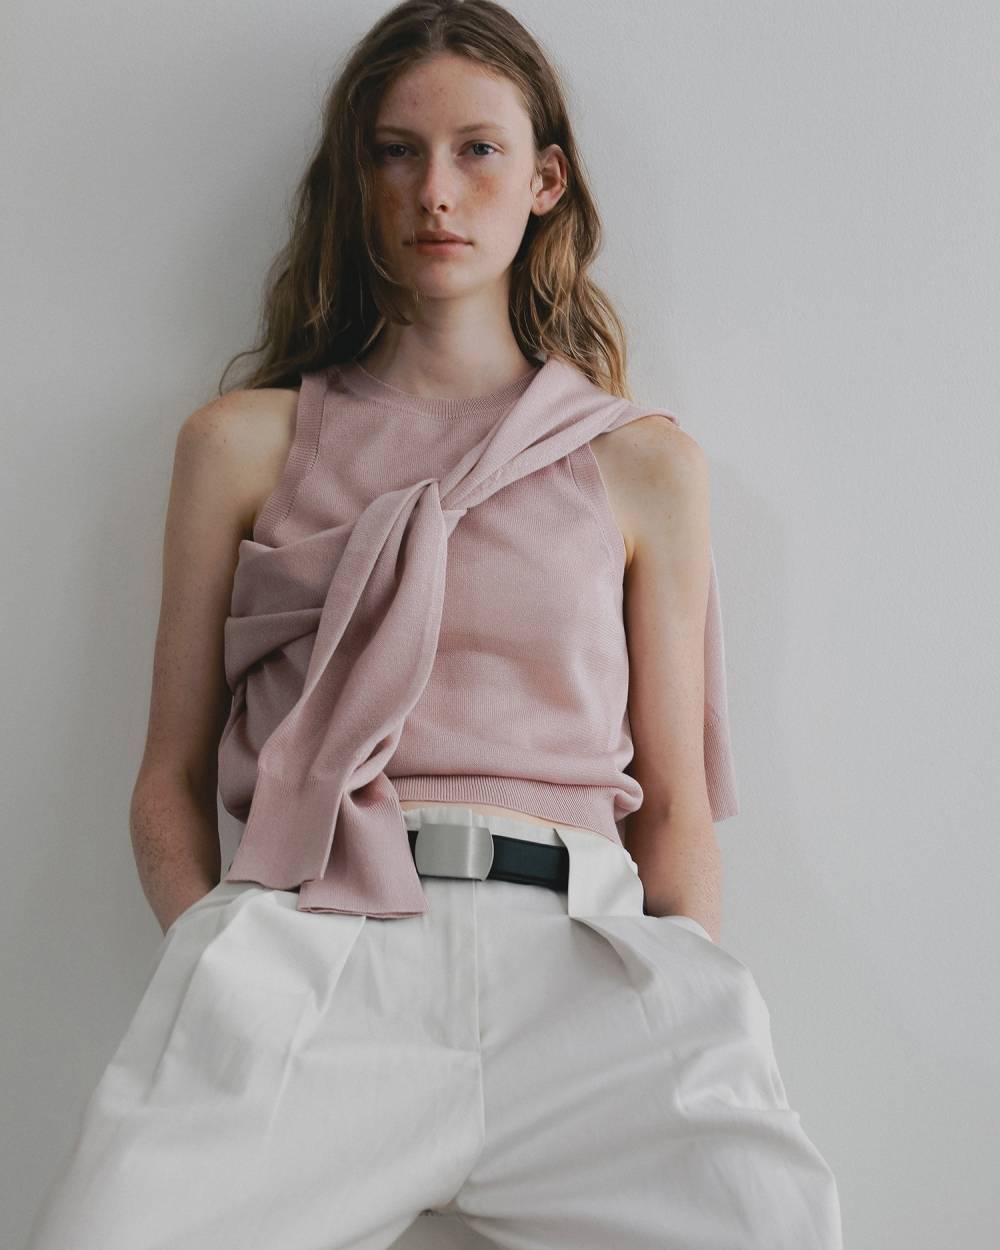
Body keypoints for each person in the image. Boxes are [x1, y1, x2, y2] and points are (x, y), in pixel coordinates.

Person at [25, 2, 844, 1248]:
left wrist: (678, 995)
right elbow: (167, 777)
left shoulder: (641, 465)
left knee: (777, 1227)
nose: (435, 192)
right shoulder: (241, 445)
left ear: (546, 181)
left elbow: (674, 803)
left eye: (477, 150)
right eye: (395, 152)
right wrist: (219, 963)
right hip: (318, 948)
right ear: (355, 181)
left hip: (578, 961)